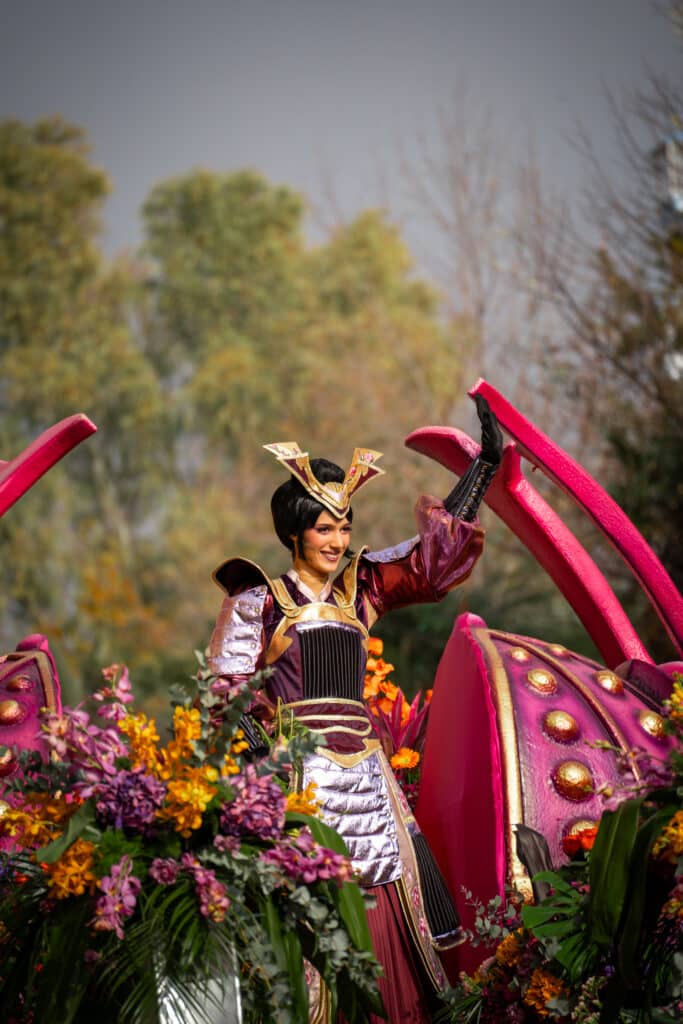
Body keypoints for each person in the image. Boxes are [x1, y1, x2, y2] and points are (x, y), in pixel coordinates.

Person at [208, 398, 503, 1023]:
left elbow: (429, 561)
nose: (338, 542)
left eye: (344, 528)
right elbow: (223, 694)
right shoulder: (258, 600)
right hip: (297, 784)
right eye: (325, 529)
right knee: (305, 921)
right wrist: (260, 759)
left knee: (392, 900)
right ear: (294, 534)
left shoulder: (360, 590)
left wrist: (481, 470)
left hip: (368, 778)